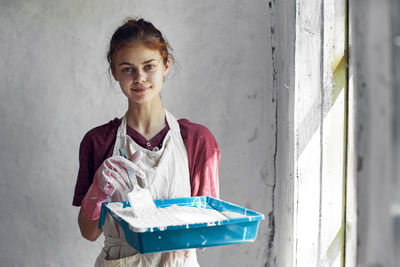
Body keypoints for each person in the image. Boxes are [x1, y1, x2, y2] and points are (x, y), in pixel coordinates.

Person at [72, 18, 220, 267]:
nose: (140, 78)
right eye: (128, 69)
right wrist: (98, 191)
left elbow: (206, 235)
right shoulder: (98, 141)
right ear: (115, 72)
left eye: (149, 66)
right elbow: (89, 233)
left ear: (166, 65)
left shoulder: (197, 140)